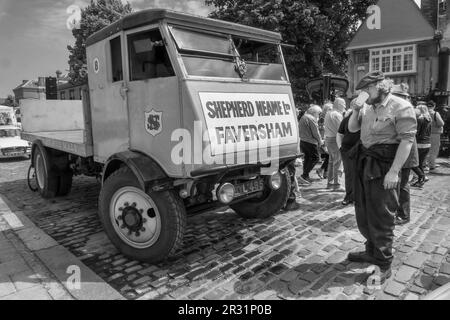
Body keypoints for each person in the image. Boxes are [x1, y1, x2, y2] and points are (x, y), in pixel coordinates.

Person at [347, 71, 417, 284]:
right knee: (364, 209)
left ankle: (383, 263)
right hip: (366, 162)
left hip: (385, 164)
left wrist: (394, 172)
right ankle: (371, 251)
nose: (364, 93)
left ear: (381, 85)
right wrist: (355, 110)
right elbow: (352, 128)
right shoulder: (367, 106)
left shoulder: (401, 106)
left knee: (382, 214)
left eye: (367, 89)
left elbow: (407, 141)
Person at [390, 83, 419, 226]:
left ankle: (404, 214)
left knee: (402, 185)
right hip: (404, 151)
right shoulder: (403, 108)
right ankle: (399, 211)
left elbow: (406, 137)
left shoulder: (405, 109)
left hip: (406, 152)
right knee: (401, 184)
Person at [336, 109, 360, 206]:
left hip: (361, 150)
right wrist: (340, 147)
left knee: (359, 174)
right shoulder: (346, 119)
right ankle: (349, 196)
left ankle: (358, 196)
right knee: (349, 174)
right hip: (346, 150)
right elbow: (339, 134)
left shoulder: (365, 119)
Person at [298, 105, 324, 184]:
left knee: (308, 158)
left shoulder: (303, 117)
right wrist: (320, 141)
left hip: (303, 141)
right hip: (310, 142)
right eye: (318, 113)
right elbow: (315, 132)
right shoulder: (311, 118)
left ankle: (305, 176)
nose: (319, 115)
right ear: (314, 112)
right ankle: (304, 176)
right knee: (315, 158)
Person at [324, 98, 345, 189]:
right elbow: (341, 130)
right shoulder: (337, 115)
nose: (344, 107)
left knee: (332, 162)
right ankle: (337, 185)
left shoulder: (329, 113)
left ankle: (330, 183)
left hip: (329, 139)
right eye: (343, 105)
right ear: (339, 105)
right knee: (338, 162)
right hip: (335, 140)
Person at [410, 104, 432, 188]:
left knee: (413, 163)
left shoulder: (419, 119)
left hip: (419, 143)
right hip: (427, 143)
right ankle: (421, 180)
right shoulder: (429, 119)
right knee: (420, 164)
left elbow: (416, 132)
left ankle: (422, 177)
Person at [316, 102, 333, 179]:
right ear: (325, 109)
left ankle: (325, 172)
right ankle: (322, 170)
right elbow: (321, 130)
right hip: (324, 139)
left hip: (326, 138)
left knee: (328, 156)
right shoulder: (322, 119)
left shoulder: (327, 117)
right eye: (329, 109)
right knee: (330, 156)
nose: (331, 110)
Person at [427, 101, 445, 172]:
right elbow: (441, 123)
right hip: (435, 134)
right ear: (434, 106)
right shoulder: (435, 113)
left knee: (427, 150)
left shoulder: (424, 113)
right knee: (434, 149)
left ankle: (426, 164)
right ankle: (432, 166)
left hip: (426, 134)